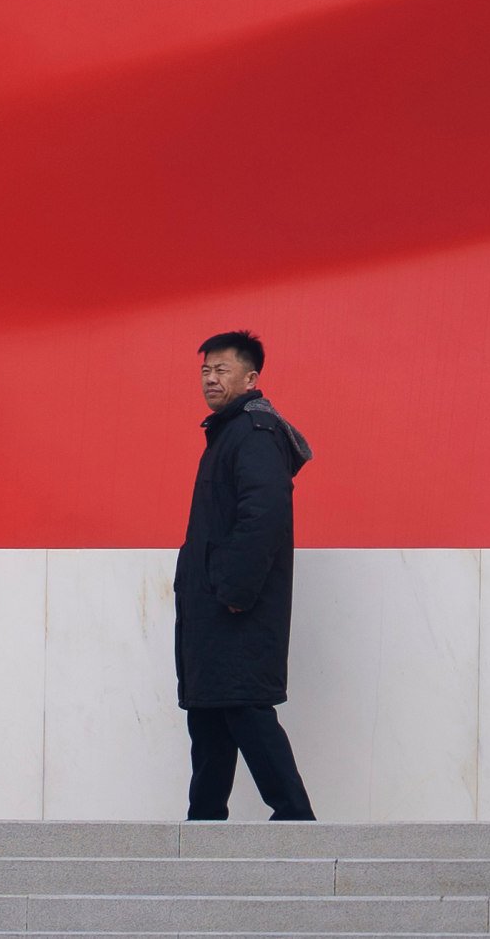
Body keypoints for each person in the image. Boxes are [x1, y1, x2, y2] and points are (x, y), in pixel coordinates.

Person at [174, 328, 316, 821]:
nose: (210, 379)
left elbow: (264, 515)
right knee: (210, 715)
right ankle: (204, 824)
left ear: (251, 378)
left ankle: (296, 820)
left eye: (222, 370)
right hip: (213, 608)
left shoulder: (255, 433)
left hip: (235, 608)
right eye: (205, 371)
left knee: (245, 709)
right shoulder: (229, 432)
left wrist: (234, 589)